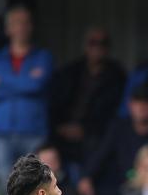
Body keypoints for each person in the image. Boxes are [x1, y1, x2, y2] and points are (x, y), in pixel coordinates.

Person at [0, 7, 53, 184]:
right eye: (16, 23)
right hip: (2, 134)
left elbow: (36, 85)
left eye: (25, 22)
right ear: (7, 29)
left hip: (33, 133)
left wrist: (2, 80)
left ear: (31, 27)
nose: (21, 27)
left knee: (35, 185)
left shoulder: (43, 56)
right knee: (5, 183)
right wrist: (25, 80)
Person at [48, 27, 125, 166]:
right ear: (85, 46)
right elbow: (55, 102)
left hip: (95, 136)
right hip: (63, 132)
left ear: (108, 48)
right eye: (93, 42)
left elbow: (113, 113)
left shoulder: (117, 76)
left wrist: (85, 129)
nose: (97, 47)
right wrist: (60, 126)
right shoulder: (70, 72)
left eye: (103, 43)